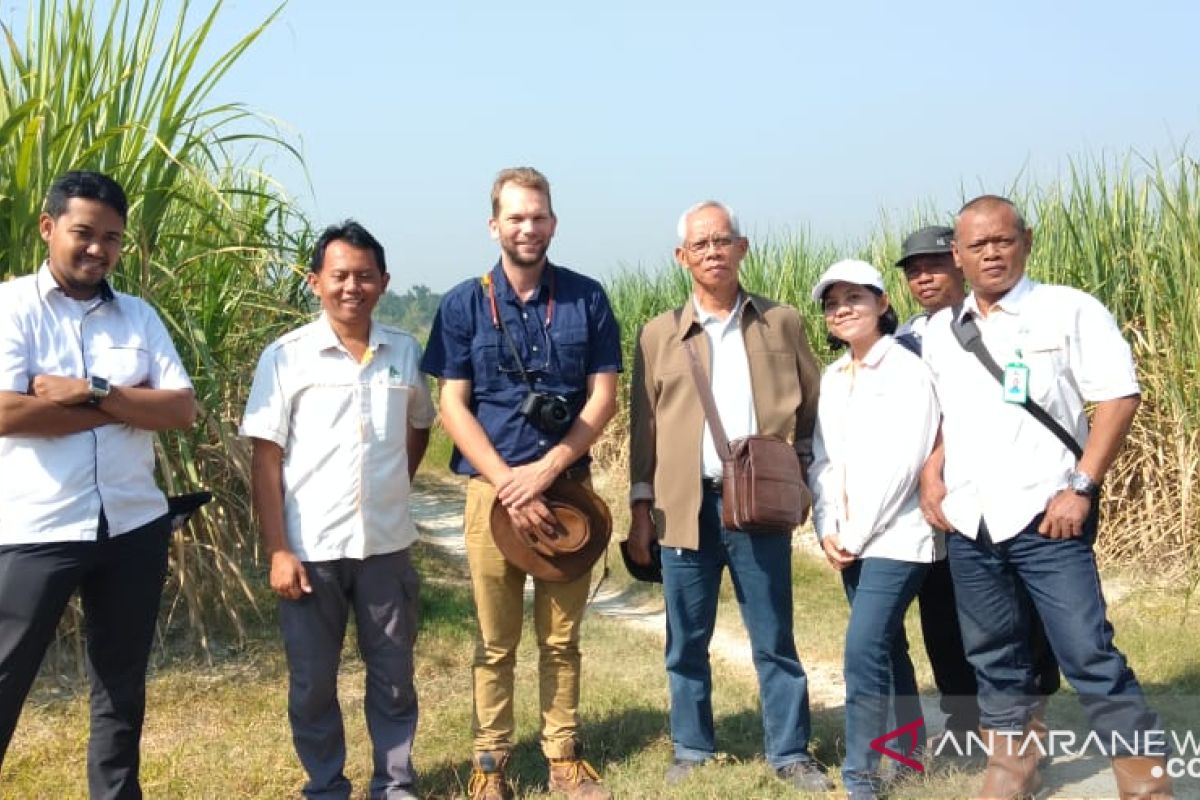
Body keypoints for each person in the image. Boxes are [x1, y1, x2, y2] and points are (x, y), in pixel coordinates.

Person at [921, 195, 1171, 798]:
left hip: (1047, 517)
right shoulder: (940, 332)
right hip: (974, 523)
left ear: (1026, 241)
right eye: (977, 246)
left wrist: (1082, 487)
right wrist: (934, 475)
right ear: (958, 256)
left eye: (1002, 241)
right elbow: (951, 417)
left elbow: (1118, 398)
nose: (991, 254)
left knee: (1087, 651)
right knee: (993, 656)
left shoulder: (1068, 310)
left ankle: (1144, 778)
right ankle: (1012, 768)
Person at [421, 167, 621, 800]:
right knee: (494, 639)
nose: (527, 227)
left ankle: (563, 756)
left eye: (538, 216)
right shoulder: (461, 304)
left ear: (553, 223)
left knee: (562, 638)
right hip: (492, 493)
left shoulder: (587, 298)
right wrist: (509, 480)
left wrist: (547, 468)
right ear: (494, 225)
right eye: (515, 217)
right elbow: (452, 404)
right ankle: (490, 765)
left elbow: (604, 398)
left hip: (569, 491)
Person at [0, 170, 197, 799]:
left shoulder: (138, 316)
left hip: (133, 527)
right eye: (84, 233)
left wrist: (93, 391)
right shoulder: (10, 308)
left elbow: (180, 411)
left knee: (121, 691)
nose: (97, 249)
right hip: (36, 529)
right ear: (48, 227)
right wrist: (124, 408)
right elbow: (7, 413)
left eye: (111, 238)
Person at [626, 200, 832, 792]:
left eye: (723, 240)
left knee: (774, 636)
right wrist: (641, 508)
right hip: (684, 507)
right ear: (681, 257)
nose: (713, 251)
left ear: (743, 248)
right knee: (686, 638)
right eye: (701, 243)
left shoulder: (781, 322)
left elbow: (814, 407)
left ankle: (790, 751)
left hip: (760, 505)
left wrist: (801, 471)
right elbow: (645, 428)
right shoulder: (659, 334)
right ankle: (691, 747)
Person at [241, 221, 433, 800]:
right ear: (315, 281)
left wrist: (394, 482)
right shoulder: (286, 358)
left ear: (384, 281)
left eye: (365, 276)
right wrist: (278, 549)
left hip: (385, 547)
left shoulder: (403, 350)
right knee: (313, 683)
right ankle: (325, 785)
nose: (353, 287)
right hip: (311, 551)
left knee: (394, 678)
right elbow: (265, 459)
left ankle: (394, 784)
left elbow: (419, 427)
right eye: (340, 275)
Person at [894, 225, 1060, 745]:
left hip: (1003, 496)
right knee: (942, 610)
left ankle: (1028, 709)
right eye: (914, 270)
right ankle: (965, 713)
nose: (924, 277)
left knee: (1017, 608)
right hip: (932, 502)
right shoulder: (902, 342)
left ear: (959, 264)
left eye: (935, 265)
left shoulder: (1003, 324)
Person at [806, 259, 937, 799]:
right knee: (888, 648)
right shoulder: (833, 378)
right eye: (833, 302)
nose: (842, 309)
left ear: (883, 303)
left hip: (899, 538)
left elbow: (905, 463)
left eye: (854, 298)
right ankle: (909, 756)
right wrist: (827, 525)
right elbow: (823, 460)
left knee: (862, 652)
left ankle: (861, 777)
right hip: (849, 539)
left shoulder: (908, 371)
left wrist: (856, 535)